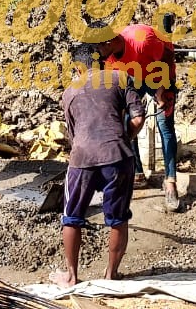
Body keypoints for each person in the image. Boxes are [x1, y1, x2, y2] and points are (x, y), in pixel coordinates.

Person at [53, 43, 147, 287]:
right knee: (118, 218)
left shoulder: (69, 92)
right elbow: (138, 118)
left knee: (71, 217)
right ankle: (111, 274)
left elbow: (73, 135)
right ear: (102, 61)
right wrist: (126, 136)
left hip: (82, 159)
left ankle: (72, 275)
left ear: (77, 67)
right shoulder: (120, 78)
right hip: (118, 156)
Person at [96, 21, 181, 211]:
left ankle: (170, 182)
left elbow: (167, 57)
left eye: (98, 47)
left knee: (165, 125)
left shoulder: (142, 40)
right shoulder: (108, 61)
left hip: (160, 71)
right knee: (128, 122)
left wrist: (162, 89)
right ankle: (137, 174)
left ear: (108, 42)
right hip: (134, 76)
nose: (97, 53)